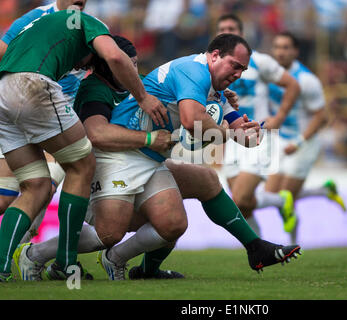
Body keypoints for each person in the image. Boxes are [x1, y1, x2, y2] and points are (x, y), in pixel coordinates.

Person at [16, 34, 301, 281]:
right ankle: (35, 253)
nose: (238, 73)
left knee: (179, 216)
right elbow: (191, 122)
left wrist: (248, 133)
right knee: (108, 233)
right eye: (235, 66)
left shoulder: (210, 83)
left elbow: (230, 119)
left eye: (243, 69)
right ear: (214, 56)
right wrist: (226, 134)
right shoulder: (191, 71)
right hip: (116, 157)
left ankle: (253, 248)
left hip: (149, 157)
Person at [0, 9, 166, 282]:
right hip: (32, 84)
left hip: (3, 93)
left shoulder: (35, 24)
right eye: (89, 63)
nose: (81, 68)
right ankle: (65, 263)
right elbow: (114, 56)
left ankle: (2, 265)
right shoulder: (87, 22)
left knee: (35, 186)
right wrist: (143, 96)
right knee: (82, 165)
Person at [0, 0, 87, 247]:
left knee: (42, 188)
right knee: (4, 199)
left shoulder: (89, 27)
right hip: (18, 112)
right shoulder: (34, 19)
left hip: (56, 119)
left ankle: (24, 252)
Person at [216, 14, 301, 235]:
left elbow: (292, 85)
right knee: (240, 205)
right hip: (233, 139)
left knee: (242, 197)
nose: (227, 31)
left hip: (258, 136)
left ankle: (282, 202)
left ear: (241, 34)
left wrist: (280, 117)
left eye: (231, 28)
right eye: (222, 28)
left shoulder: (259, 61)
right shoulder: (212, 65)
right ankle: (261, 248)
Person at [264, 31, 347, 243]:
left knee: (286, 197)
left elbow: (322, 117)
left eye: (285, 47)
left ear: (295, 51)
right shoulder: (269, 76)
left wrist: (299, 142)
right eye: (277, 47)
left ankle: (292, 244)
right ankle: (324, 191)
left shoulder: (307, 80)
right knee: (271, 194)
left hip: (304, 142)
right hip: (281, 140)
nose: (280, 52)